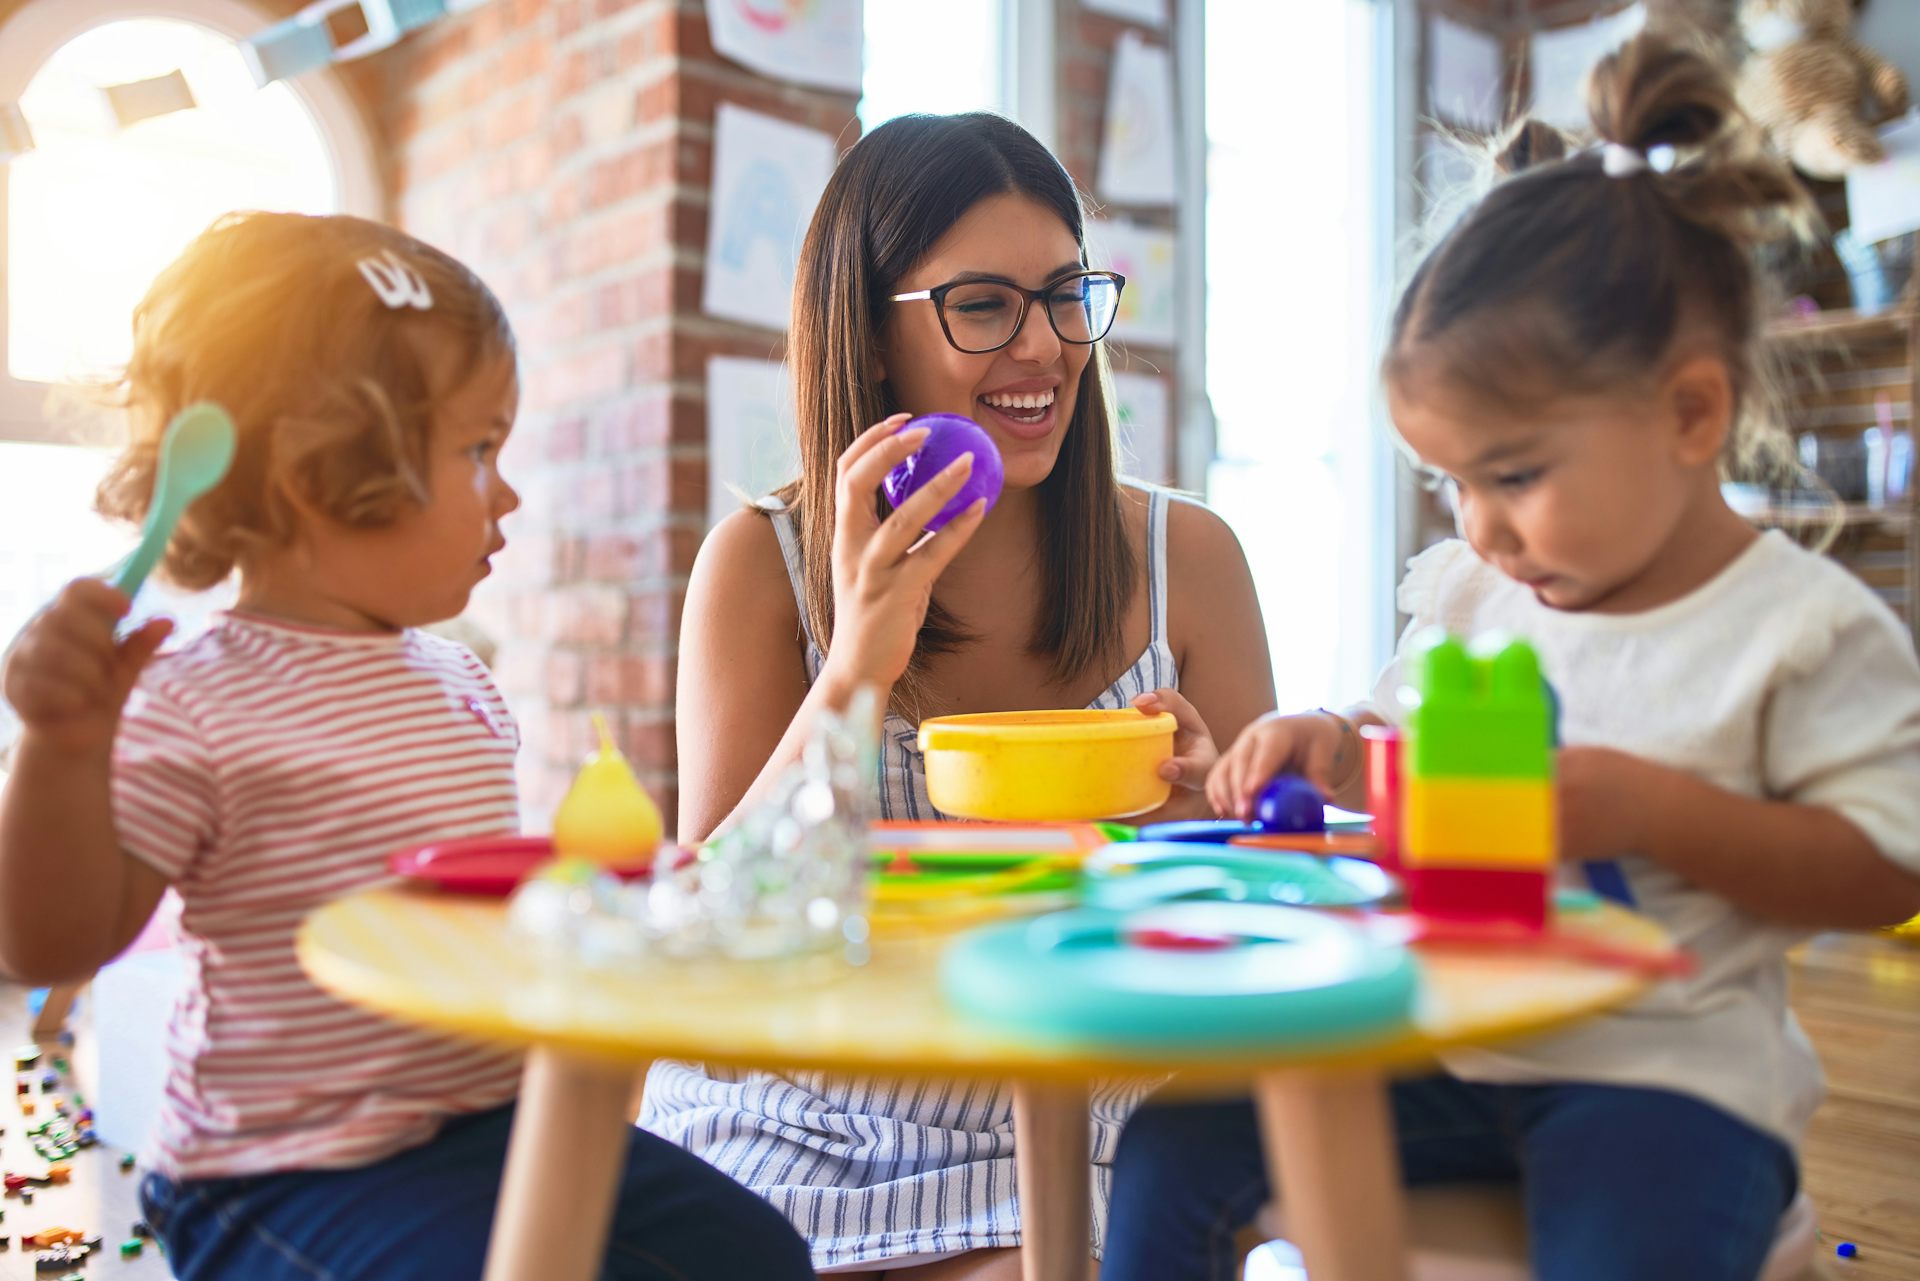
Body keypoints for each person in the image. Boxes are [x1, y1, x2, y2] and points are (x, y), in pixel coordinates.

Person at [1100, 35, 1920, 1281]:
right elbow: (1400, 762)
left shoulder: (1800, 629)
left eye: (1518, 475)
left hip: (1665, 1082)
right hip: (1446, 1046)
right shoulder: (1480, 594)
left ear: (1691, 414)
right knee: (1175, 1144)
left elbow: (1880, 874)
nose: (1478, 524)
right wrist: (1330, 751)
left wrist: (1640, 806)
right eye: (1452, 482)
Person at [0, 211, 815, 1281]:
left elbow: (475, 917)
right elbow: (43, 949)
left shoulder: (458, 680)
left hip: (484, 1128)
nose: (508, 491)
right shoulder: (192, 695)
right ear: (314, 472)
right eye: (477, 450)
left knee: (755, 1254)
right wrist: (59, 748)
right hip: (280, 1176)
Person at [646, 112, 1275, 1278]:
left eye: (1065, 294)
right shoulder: (759, 563)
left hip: (1084, 1121)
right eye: (983, 306)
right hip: (797, 1110)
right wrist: (854, 669)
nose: (1045, 348)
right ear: (872, 339)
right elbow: (711, 927)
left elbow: (1259, 917)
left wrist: (1206, 807)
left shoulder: (1191, 557)